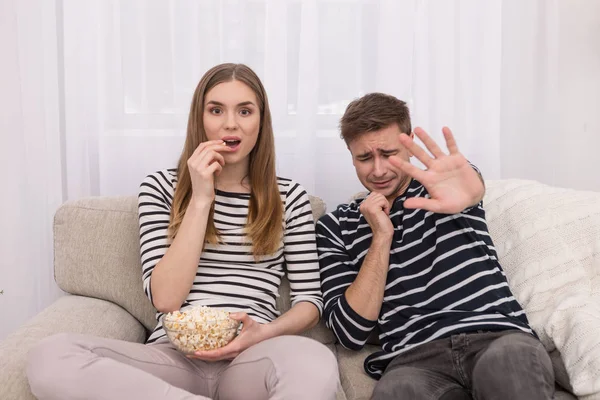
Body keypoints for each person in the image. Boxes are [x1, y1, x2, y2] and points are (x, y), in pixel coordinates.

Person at [27, 63, 339, 400]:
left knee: (316, 360)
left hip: (251, 359)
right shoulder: (160, 187)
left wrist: (263, 333)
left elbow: (310, 301)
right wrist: (202, 198)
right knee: (50, 356)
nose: (230, 123)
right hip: (174, 361)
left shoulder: (289, 197)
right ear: (199, 119)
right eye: (216, 110)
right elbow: (166, 299)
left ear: (261, 122)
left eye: (245, 111)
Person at [316, 93, 554, 399]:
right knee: (397, 391)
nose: (378, 170)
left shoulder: (443, 187)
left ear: (409, 143)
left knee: (510, 362)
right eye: (364, 158)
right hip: (413, 360)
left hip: (496, 338)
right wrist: (381, 237)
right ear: (350, 153)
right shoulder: (336, 227)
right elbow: (349, 333)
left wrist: (470, 191)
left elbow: (469, 187)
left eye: (388, 154)